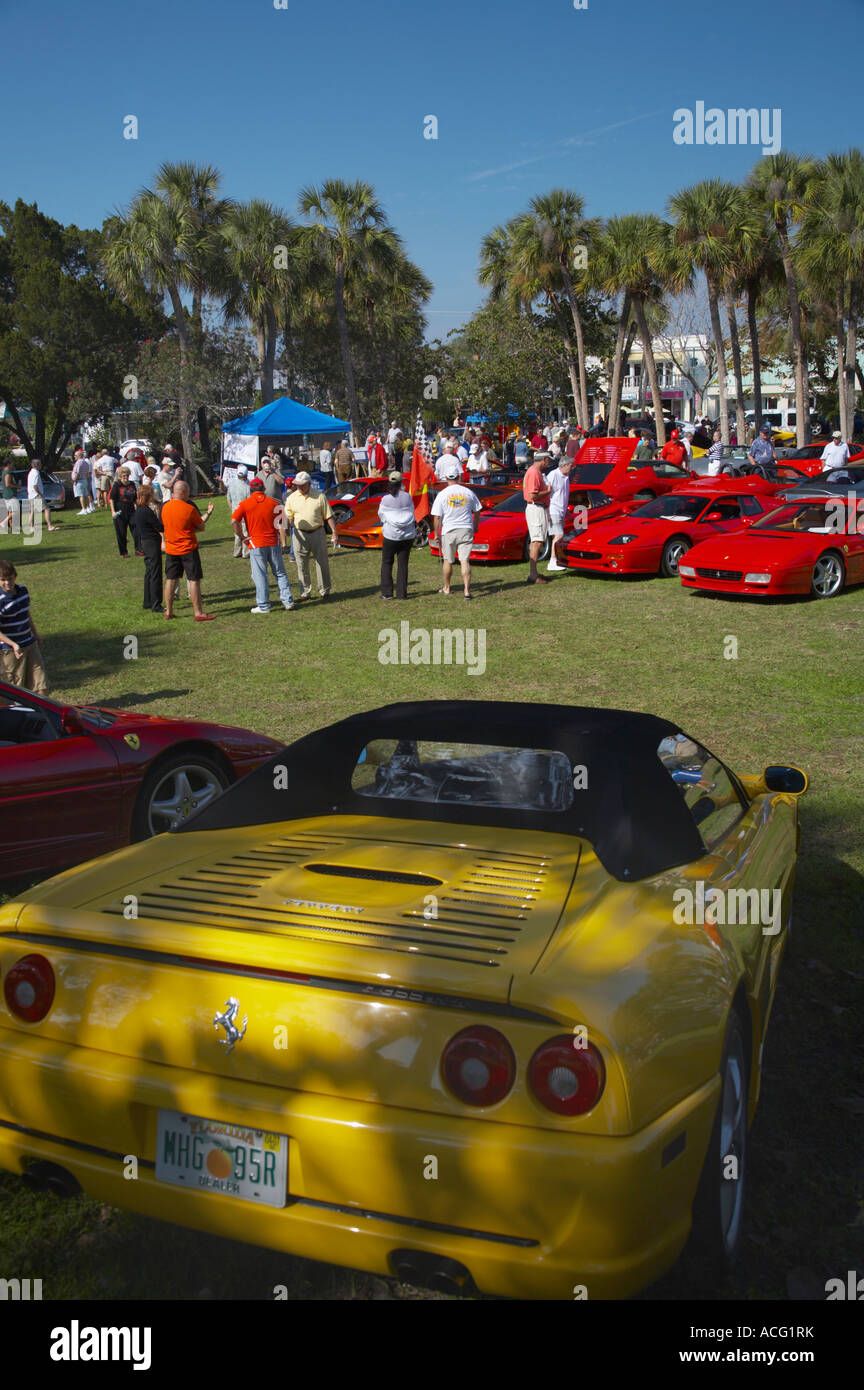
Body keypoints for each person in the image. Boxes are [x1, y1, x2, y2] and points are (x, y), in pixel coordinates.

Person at [231, 477, 295, 613]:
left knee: (260, 574)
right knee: (280, 572)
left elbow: (234, 521)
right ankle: (287, 600)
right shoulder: (274, 502)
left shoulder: (244, 504)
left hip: (256, 543)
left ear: (250, 489)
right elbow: (283, 523)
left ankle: (264, 605)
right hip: (273, 541)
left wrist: (242, 537)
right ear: (264, 488)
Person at [161, 481, 215, 621]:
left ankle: (169, 610)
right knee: (193, 579)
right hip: (188, 548)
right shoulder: (189, 509)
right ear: (184, 492)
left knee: (171, 579)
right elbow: (201, 527)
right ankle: (198, 612)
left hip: (171, 548)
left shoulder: (165, 507)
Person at [430, 461, 481, 599]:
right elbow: (477, 510)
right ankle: (466, 591)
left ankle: (447, 587)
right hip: (466, 528)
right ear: (459, 477)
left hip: (449, 530)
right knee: (465, 560)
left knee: (448, 560)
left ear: (446, 478)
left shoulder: (442, 494)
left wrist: (436, 533)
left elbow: (436, 517)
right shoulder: (468, 492)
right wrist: (475, 526)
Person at [285, 470, 337, 601]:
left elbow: (328, 515)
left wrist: (335, 533)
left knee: (322, 562)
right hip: (299, 534)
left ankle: (324, 590)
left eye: (302, 485)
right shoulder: (291, 498)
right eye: (297, 485)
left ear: (309, 484)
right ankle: (305, 592)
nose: (299, 488)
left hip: (317, 532)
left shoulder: (319, 496)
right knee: (301, 564)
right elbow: (287, 517)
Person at [0, 559, 48, 692]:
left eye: (10, 578)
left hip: (29, 643)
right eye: (3, 580)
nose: (7, 583)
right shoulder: (1, 600)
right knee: (16, 686)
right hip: (10, 650)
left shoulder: (22, 591)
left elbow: (26, 614)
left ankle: (42, 711)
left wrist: (35, 633)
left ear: (15, 576)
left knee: (40, 682)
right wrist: (13, 644)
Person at [378, 470, 416, 600]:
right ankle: (402, 593)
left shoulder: (385, 499)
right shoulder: (407, 497)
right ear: (401, 483)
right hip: (407, 536)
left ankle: (387, 593)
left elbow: (382, 516)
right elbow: (412, 511)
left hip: (391, 535)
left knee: (387, 563)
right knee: (403, 564)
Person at [134, 484, 165, 613]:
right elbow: (159, 527)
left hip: (145, 543)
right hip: (152, 543)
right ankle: (156, 604)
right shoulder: (146, 511)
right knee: (155, 574)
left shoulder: (138, 510)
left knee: (149, 572)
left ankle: (147, 601)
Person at [523, 450, 552, 584]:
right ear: (544, 459)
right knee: (537, 541)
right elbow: (533, 495)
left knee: (538, 540)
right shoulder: (534, 472)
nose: (549, 462)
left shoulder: (535, 472)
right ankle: (533, 574)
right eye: (548, 460)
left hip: (538, 507)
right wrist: (548, 491)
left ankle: (534, 573)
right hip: (536, 507)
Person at [545, 455, 574, 572]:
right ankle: (553, 561)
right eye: (571, 466)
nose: (572, 468)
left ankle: (556, 559)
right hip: (553, 510)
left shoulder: (566, 477)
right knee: (558, 535)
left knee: (557, 536)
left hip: (561, 510)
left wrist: (566, 510)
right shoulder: (553, 475)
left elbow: (563, 495)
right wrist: (547, 510)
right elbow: (547, 493)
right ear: (564, 465)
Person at [109, 465, 139, 556]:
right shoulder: (117, 485)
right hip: (120, 511)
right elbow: (112, 499)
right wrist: (113, 511)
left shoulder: (132, 484)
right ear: (120, 476)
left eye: (127, 476)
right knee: (121, 532)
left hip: (131, 511)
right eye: (123, 476)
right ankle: (124, 552)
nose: (125, 478)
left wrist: (137, 508)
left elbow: (135, 498)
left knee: (136, 530)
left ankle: (138, 549)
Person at [27, 457, 60, 532]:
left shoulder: (31, 472)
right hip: (36, 495)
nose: (41, 465)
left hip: (31, 494)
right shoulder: (35, 473)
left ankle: (31, 527)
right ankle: (49, 526)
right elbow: (35, 486)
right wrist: (39, 494)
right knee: (47, 509)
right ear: (37, 465)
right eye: (40, 464)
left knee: (32, 511)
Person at [226, 464, 251, 557]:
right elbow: (249, 502)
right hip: (244, 513)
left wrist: (232, 508)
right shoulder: (247, 487)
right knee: (245, 532)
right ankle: (246, 552)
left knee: (237, 532)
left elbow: (229, 499)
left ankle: (237, 552)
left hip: (235, 512)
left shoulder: (231, 486)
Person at [71, 450, 94, 514]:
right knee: (85, 495)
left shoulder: (79, 463)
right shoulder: (85, 462)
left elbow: (77, 473)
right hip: (84, 479)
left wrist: (75, 480)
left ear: (78, 456)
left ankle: (83, 509)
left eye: (75, 455)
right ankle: (87, 507)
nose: (74, 456)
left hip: (79, 480)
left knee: (81, 495)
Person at [0, 456, 17, 533]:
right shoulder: (7, 473)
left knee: (10, 511)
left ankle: (13, 527)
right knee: (15, 511)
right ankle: (3, 523)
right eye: (11, 463)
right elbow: (7, 484)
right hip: (10, 494)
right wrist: (17, 486)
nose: (13, 464)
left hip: (7, 494)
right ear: (8, 464)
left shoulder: (4, 472)